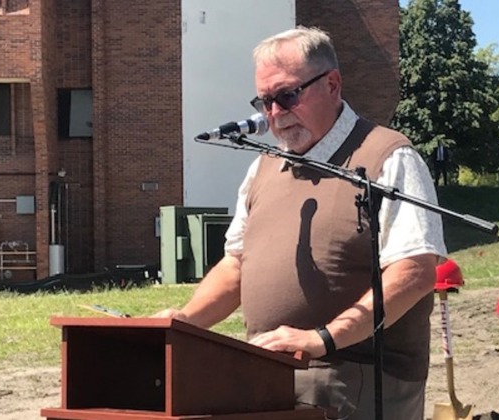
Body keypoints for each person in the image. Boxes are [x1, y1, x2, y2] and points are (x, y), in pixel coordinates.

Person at [153, 26, 446, 420]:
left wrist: (323, 339)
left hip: (355, 379)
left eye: (288, 96)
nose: (275, 113)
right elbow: (237, 263)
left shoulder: (387, 156)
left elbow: (414, 271)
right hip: (268, 372)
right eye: (265, 101)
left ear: (332, 84)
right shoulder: (264, 167)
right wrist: (188, 319)